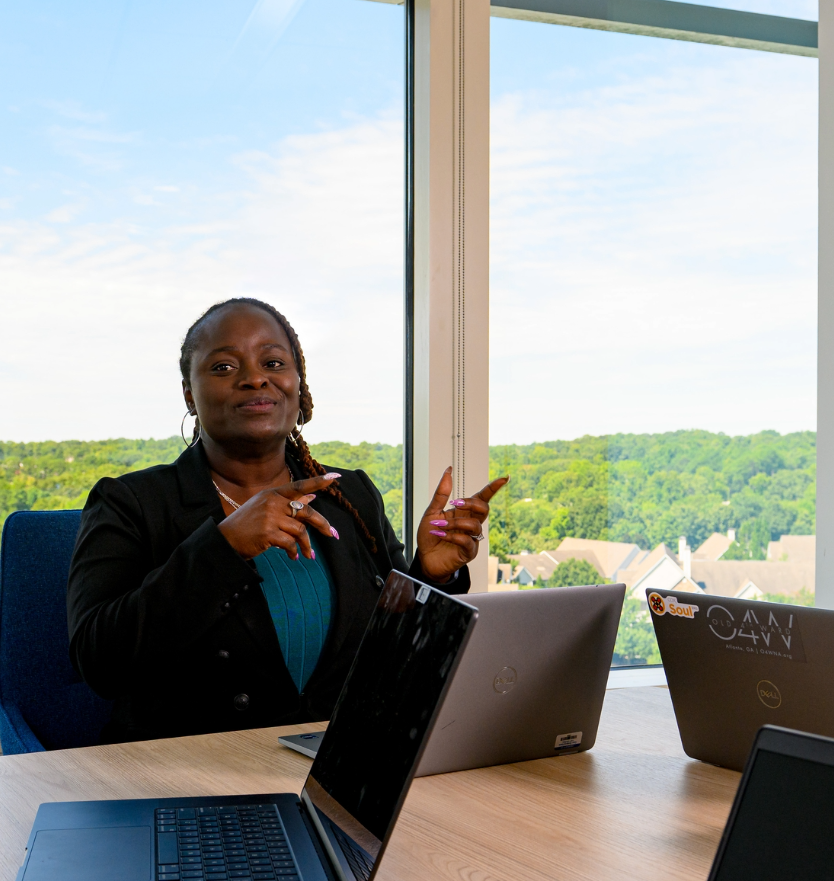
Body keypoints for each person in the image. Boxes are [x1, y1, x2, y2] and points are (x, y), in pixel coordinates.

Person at [68, 297, 507, 742]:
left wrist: (430, 577)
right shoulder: (129, 502)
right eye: (223, 367)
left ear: (298, 385)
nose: (255, 378)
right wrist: (225, 547)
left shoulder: (348, 494)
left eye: (274, 362)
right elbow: (98, 663)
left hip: (337, 762)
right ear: (189, 394)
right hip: (190, 773)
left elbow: (393, 655)